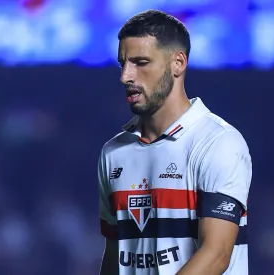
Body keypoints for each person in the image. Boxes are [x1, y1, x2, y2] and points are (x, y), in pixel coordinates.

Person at [98, 9, 252, 275]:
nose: (126, 76)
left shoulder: (218, 142)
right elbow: (115, 252)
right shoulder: (113, 153)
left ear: (178, 63)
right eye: (122, 63)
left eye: (141, 62)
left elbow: (216, 255)